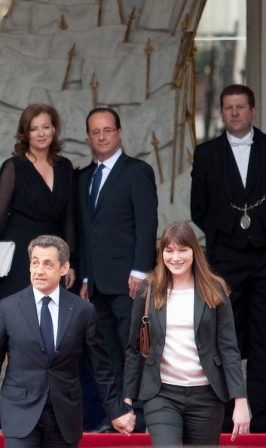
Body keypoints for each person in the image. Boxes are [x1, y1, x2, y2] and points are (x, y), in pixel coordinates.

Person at [0, 235, 135, 448]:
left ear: (64, 268)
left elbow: (100, 367)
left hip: (65, 415)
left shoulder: (83, 311)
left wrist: (116, 411)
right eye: (35, 263)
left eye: (48, 264)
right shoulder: (7, 309)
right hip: (19, 413)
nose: (39, 270)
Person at [123, 221, 250, 446]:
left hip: (207, 397)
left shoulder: (214, 289)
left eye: (183, 250)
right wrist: (127, 399)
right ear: (161, 253)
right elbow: (134, 348)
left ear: (194, 251)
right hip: (161, 394)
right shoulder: (148, 289)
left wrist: (240, 401)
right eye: (169, 251)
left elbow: (229, 348)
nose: (176, 257)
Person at [191, 84, 266, 432]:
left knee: (264, 337)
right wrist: (232, 233)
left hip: (265, 258)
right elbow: (198, 209)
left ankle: (262, 416)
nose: (235, 113)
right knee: (226, 337)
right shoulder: (206, 154)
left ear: (253, 111)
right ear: (221, 113)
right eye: (228, 108)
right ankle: (223, 416)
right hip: (224, 261)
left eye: (241, 107)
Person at [79, 108, 158, 432]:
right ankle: (116, 416)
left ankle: (137, 416)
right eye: (95, 132)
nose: (102, 137)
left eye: (108, 130)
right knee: (107, 352)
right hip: (96, 284)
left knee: (134, 350)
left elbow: (147, 224)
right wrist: (84, 277)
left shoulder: (137, 171)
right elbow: (85, 231)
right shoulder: (82, 177)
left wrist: (141, 272)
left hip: (129, 282)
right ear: (88, 137)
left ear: (120, 132)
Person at [0, 104, 75, 302]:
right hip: (20, 256)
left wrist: (70, 262)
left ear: (54, 129)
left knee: (51, 322)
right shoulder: (13, 167)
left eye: (46, 127)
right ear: (25, 133)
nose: (41, 133)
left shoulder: (65, 166)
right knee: (19, 320)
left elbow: (69, 219)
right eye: (33, 128)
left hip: (53, 257)